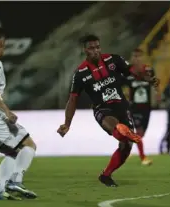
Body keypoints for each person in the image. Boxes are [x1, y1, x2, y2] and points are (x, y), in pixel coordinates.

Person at [57, 34, 159, 187]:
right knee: (117, 127)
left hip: (122, 107)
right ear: (84, 50)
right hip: (102, 110)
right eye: (91, 48)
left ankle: (106, 175)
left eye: (97, 47)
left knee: (126, 147)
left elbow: (133, 72)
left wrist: (148, 79)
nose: (96, 50)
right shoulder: (81, 74)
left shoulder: (113, 60)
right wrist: (67, 124)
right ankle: (125, 132)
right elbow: (72, 100)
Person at [0, 26, 37, 200]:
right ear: (1, 43)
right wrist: (7, 111)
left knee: (14, 150)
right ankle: (13, 181)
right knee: (24, 147)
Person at [122, 48, 155, 165]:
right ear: (132, 58)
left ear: (143, 57)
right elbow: (124, 89)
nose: (136, 59)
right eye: (134, 56)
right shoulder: (127, 72)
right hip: (134, 107)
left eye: (139, 56)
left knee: (141, 134)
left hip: (147, 107)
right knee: (139, 131)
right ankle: (143, 158)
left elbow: (154, 85)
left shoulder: (149, 70)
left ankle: (127, 147)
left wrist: (158, 97)